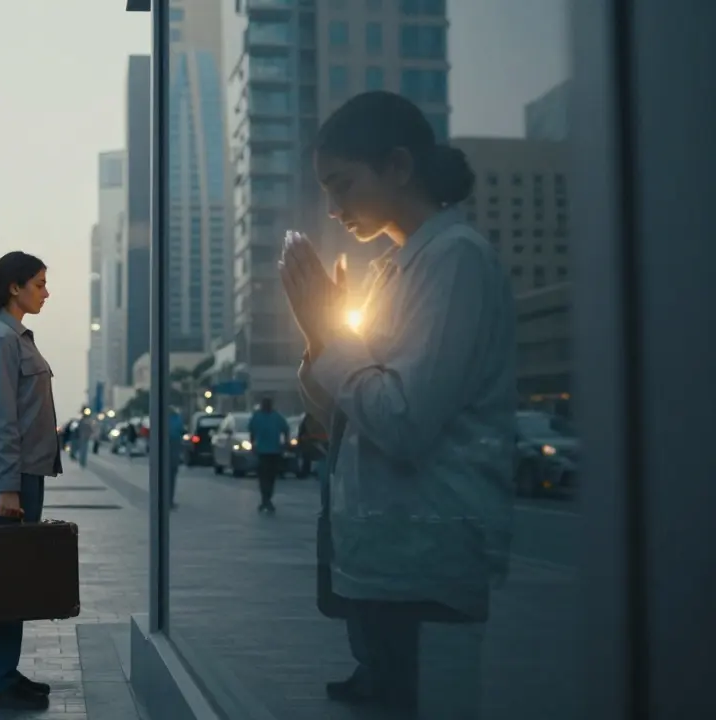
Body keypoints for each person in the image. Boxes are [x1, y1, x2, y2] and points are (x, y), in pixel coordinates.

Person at [284, 90, 515, 718]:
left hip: (427, 558)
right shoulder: (395, 267)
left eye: (343, 185)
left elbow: (404, 420)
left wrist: (331, 339)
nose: (333, 209)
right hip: (390, 557)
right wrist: (317, 336)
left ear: (399, 166)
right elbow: (344, 413)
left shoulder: (456, 261)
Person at [0, 250, 62, 711]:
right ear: (14, 288)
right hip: (10, 477)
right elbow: (1, 419)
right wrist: (6, 488)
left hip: (22, 473)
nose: (46, 292)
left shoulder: (15, 337)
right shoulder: (2, 341)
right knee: (3, 577)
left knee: (14, 576)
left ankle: (4, 672)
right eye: (39, 283)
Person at [247, 397, 291, 513]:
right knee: (263, 477)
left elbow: (286, 429)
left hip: (274, 451)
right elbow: (251, 431)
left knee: (270, 477)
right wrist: (252, 444)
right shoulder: (257, 416)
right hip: (262, 452)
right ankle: (265, 499)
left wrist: (285, 442)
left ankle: (266, 499)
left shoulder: (276, 417)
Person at [167, 407, 185, 509]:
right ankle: (169, 501)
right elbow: (181, 430)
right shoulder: (177, 418)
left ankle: (165, 501)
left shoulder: (161, 417)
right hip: (174, 448)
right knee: (171, 477)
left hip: (166, 449)